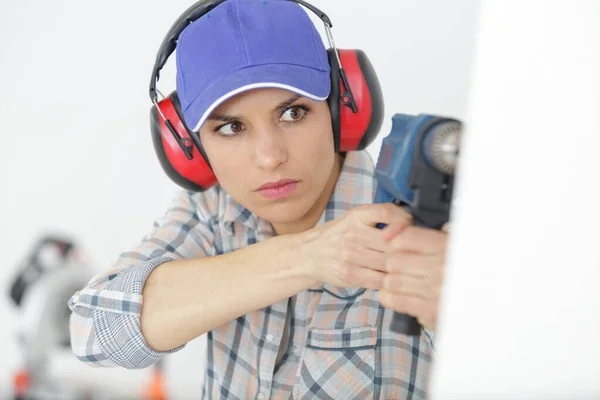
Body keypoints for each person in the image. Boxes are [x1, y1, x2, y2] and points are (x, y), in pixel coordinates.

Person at [68, 0, 449, 398]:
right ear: (191, 149)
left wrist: (458, 303)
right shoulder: (213, 209)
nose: (270, 157)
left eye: (294, 113)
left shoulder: (418, 222)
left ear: (343, 107)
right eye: (232, 127)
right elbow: (93, 331)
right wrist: (307, 256)